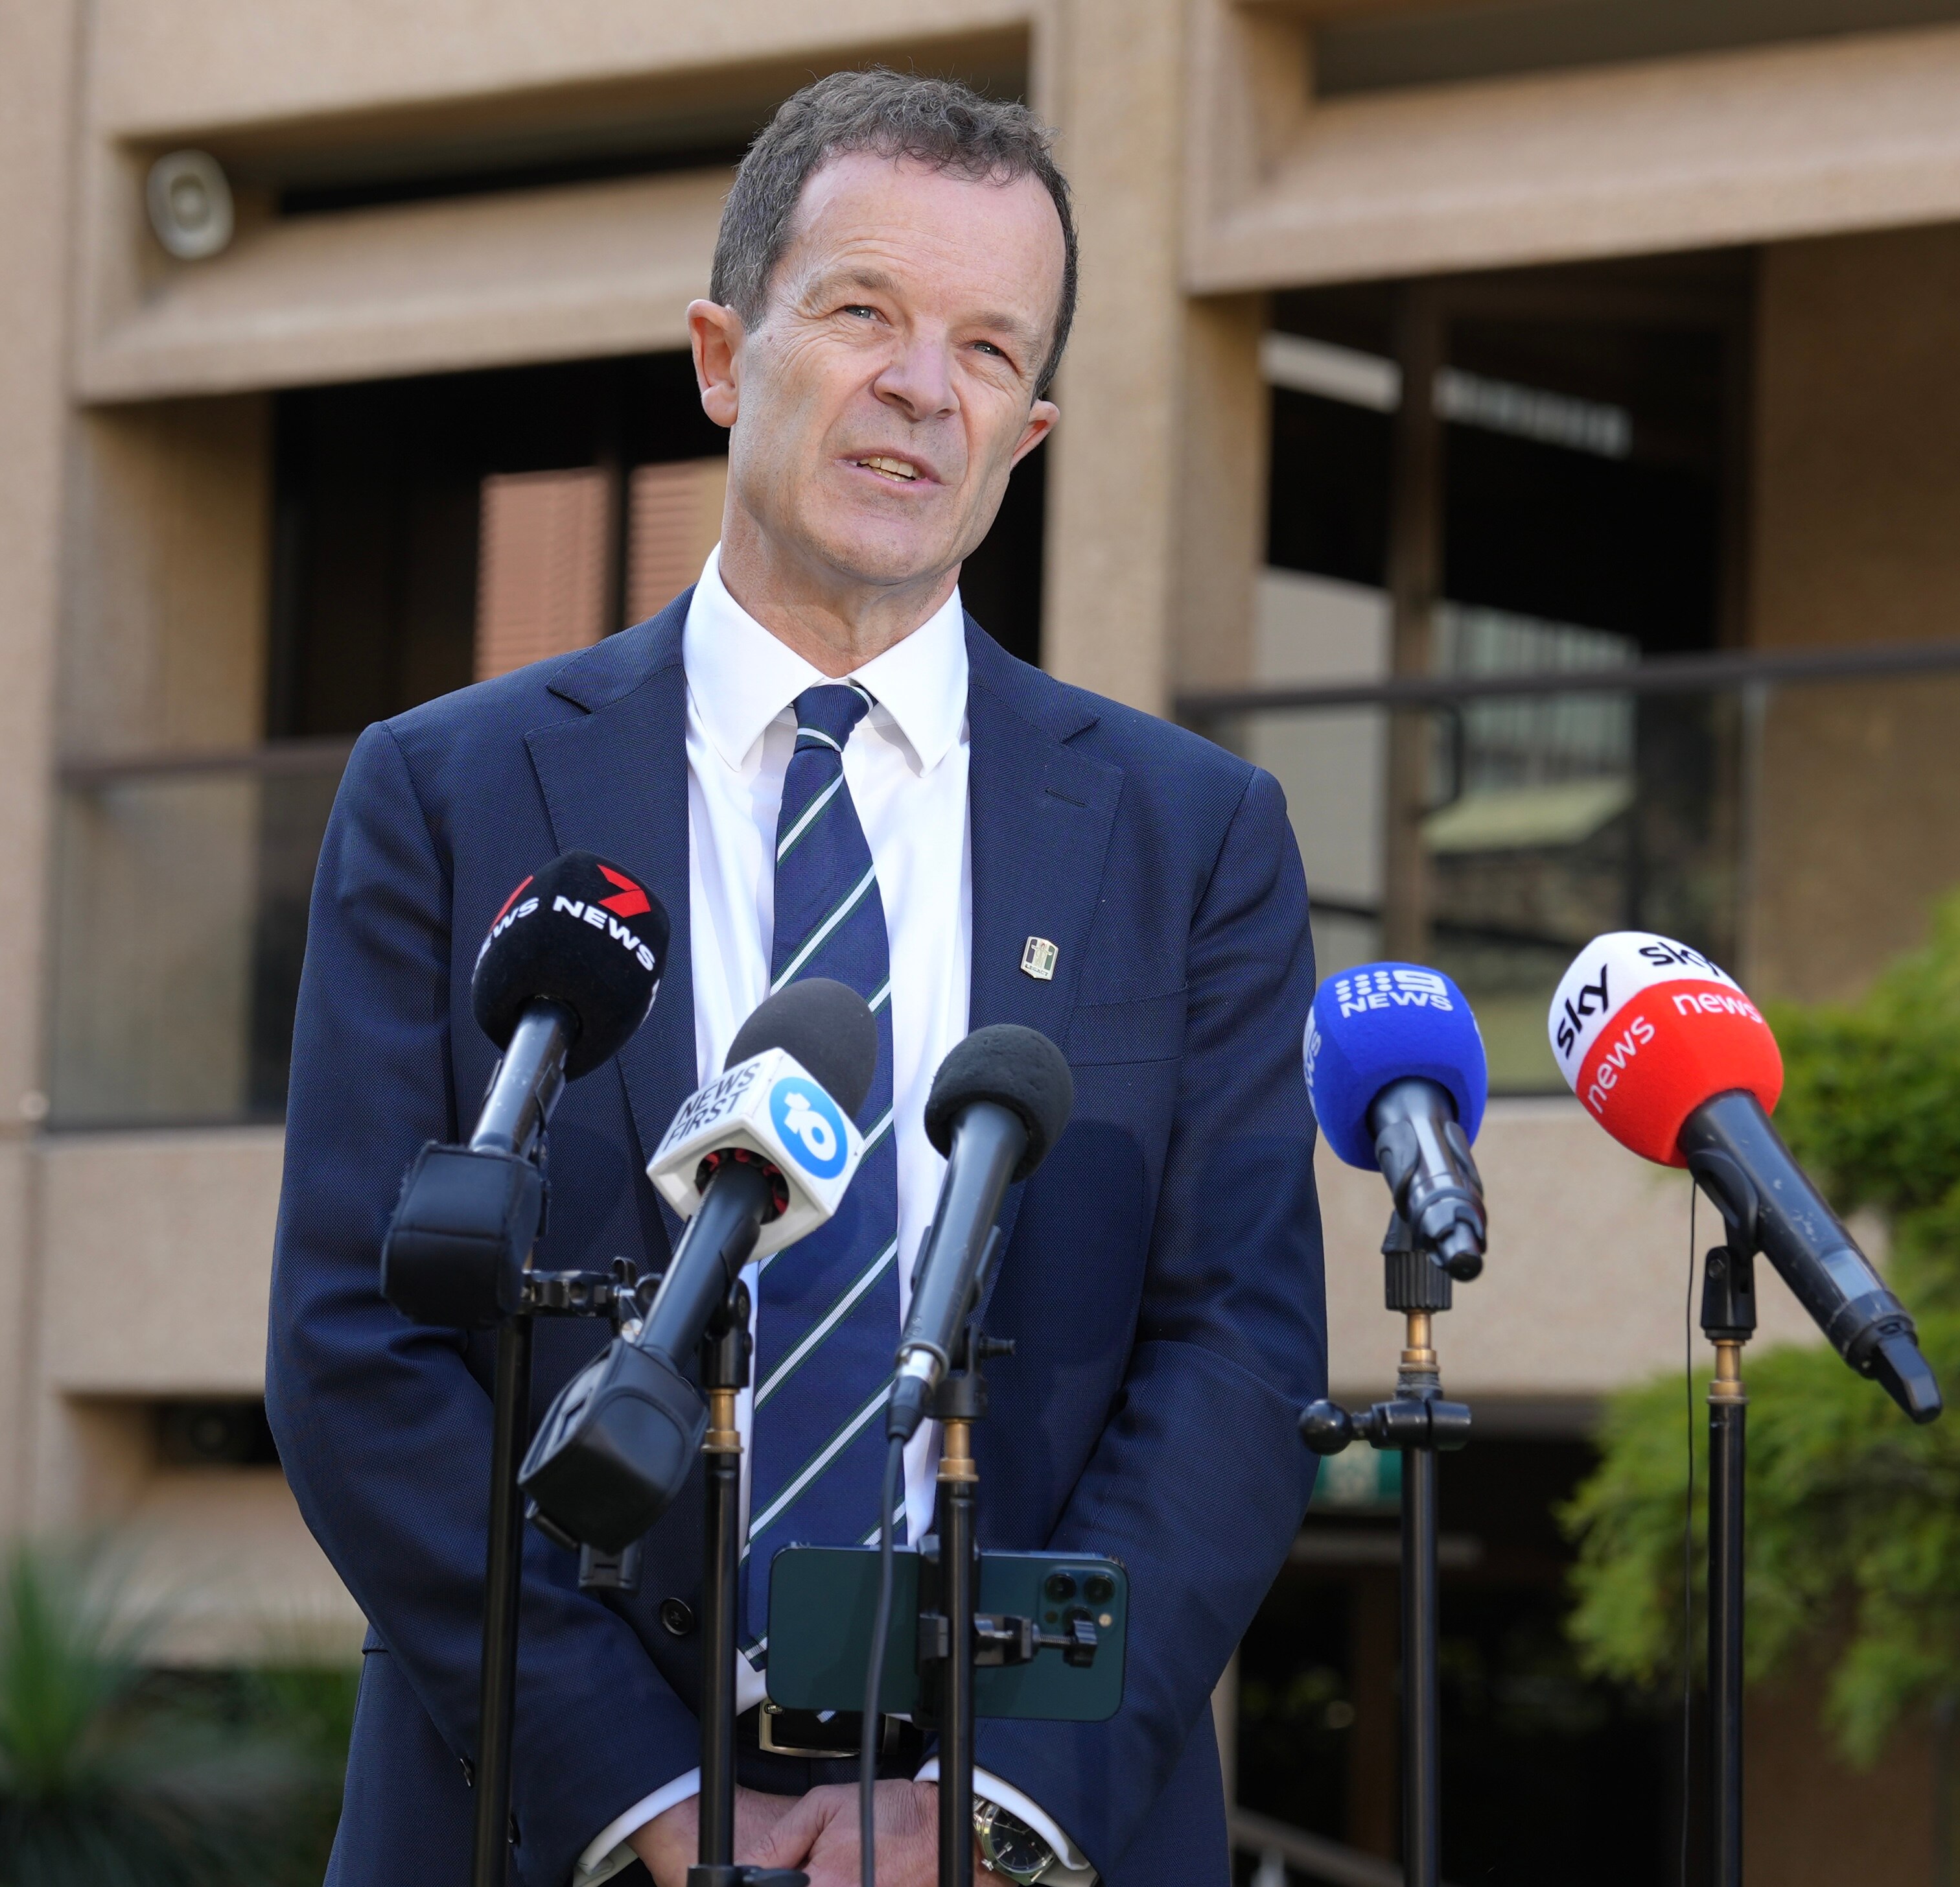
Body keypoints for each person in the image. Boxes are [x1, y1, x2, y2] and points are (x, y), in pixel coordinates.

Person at [266, 69, 1326, 1887]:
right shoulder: (445, 793)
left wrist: (989, 1803)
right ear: (719, 354)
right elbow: (360, 1341)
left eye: (988, 351)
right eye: (864, 314)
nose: (925, 386)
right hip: (539, 1820)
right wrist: (638, 1792)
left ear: (1028, 432)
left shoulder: (1192, 832)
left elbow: (1235, 1349)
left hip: (1023, 1822)